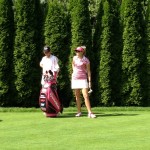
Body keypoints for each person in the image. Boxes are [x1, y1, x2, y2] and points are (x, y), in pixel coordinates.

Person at [71, 46, 96, 118]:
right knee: (77, 96)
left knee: (85, 95)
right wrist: (74, 71)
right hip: (75, 78)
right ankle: (79, 112)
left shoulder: (86, 60)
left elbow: (88, 71)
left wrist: (90, 81)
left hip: (83, 79)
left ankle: (90, 112)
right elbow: (73, 64)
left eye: (78, 51)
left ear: (82, 52)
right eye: (76, 51)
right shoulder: (74, 58)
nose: (77, 52)